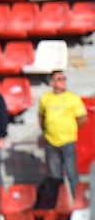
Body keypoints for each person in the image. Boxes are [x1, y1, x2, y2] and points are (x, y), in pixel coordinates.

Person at [37, 70, 86, 204]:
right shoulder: (45, 98)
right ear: (51, 82)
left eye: (64, 78)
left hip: (68, 141)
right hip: (51, 142)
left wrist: (72, 128)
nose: (62, 81)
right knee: (55, 176)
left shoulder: (73, 98)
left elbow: (82, 117)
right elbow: (41, 117)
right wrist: (46, 131)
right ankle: (57, 204)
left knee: (72, 173)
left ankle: (78, 202)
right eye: (59, 79)